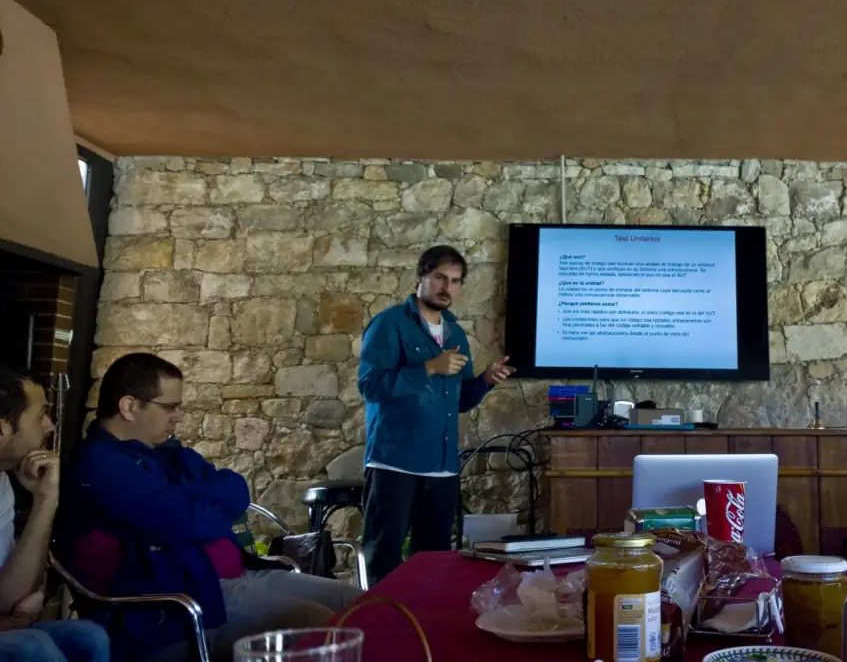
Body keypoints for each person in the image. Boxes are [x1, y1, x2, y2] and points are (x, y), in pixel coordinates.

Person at [57, 353, 359, 662]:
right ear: (129, 406)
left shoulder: (166, 452)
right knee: (318, 623)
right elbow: (195, 523)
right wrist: (197, 502)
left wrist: (178, 495)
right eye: (170, 407)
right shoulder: (101, 466)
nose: (179, 416)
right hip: (178, 605)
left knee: (362, 605)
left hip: (238, 575)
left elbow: (237, 492)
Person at [358, 245, 515, 584]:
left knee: (435, 563)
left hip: (443, 467)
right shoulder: (389, 324)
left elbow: (460, 401)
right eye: (440, 277)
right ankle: (380, 617)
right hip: (395, 463)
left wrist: (486, 380)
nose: (447, 287)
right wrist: (429, 367)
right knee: (384, 558)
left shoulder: (455, 333)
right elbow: (370, 387)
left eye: (455, 281)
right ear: (421, 277)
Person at [0, 368, 109, 662]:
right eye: (40, 416)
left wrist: (46, 500)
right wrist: (12, 623)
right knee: (31, 645)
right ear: (2, 428)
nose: (50, 426)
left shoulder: (2, 484)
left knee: (87, 636)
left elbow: (7, 596)